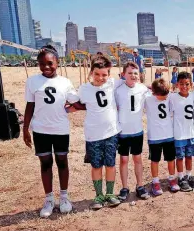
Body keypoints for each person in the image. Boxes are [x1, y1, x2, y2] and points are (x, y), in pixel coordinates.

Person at [23, 45, 79, 218]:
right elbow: (30, 106)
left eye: (49, 63)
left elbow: (75, 102)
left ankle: (64, 197)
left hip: (60, 129)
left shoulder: (65, 82)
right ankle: (48, 199)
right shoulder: (32, 81)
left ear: (57, 62)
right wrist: (25, 128)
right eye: (41, 64)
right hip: (40, 130)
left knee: (62, 162)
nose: (46, 67)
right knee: (45, 164)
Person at [76, 55, 122, 210]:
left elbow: (132, 82)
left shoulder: (112, 84)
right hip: (93, 135)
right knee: (96, 166)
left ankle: (110, 194)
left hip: (111, 133)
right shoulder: (84, 89)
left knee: (110, 164)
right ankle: (98, 195)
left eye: (104, 74)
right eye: (97, 74)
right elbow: (76, 103)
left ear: (109, 75)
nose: (100, 78)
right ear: (91, 73)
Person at [115, 62, 150, 201]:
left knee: (137, 158)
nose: (133, 75)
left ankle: (140, 186)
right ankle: (124, 187)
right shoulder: (118, 90)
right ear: (123, 74)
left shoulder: (143, 89)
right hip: (122, 132)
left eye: (135, 73)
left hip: (137, 131)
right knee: (123, 159)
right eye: (129, 73)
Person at [144, 79, 180, 196]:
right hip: (154, 136)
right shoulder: (147, 98)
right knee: (155, 160)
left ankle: (171, 178)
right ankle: (155, 181)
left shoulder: (169, 96)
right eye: (162, 96)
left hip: (169, 134)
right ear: (154, 93)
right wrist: (149, 87)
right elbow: (141, 87)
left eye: (166, 95)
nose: (165, 97)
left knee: (171, 158)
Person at [169, 72, 194, 192]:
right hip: (179, 134)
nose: (184, 86)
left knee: (189, 156)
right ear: (177, 84)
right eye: (181, 84)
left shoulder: (193, 97)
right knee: (180, 157)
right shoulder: (173, 97)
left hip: (190, 133)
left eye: (187, 84)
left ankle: (188, 175)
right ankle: (181, 177)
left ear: (191, 84)